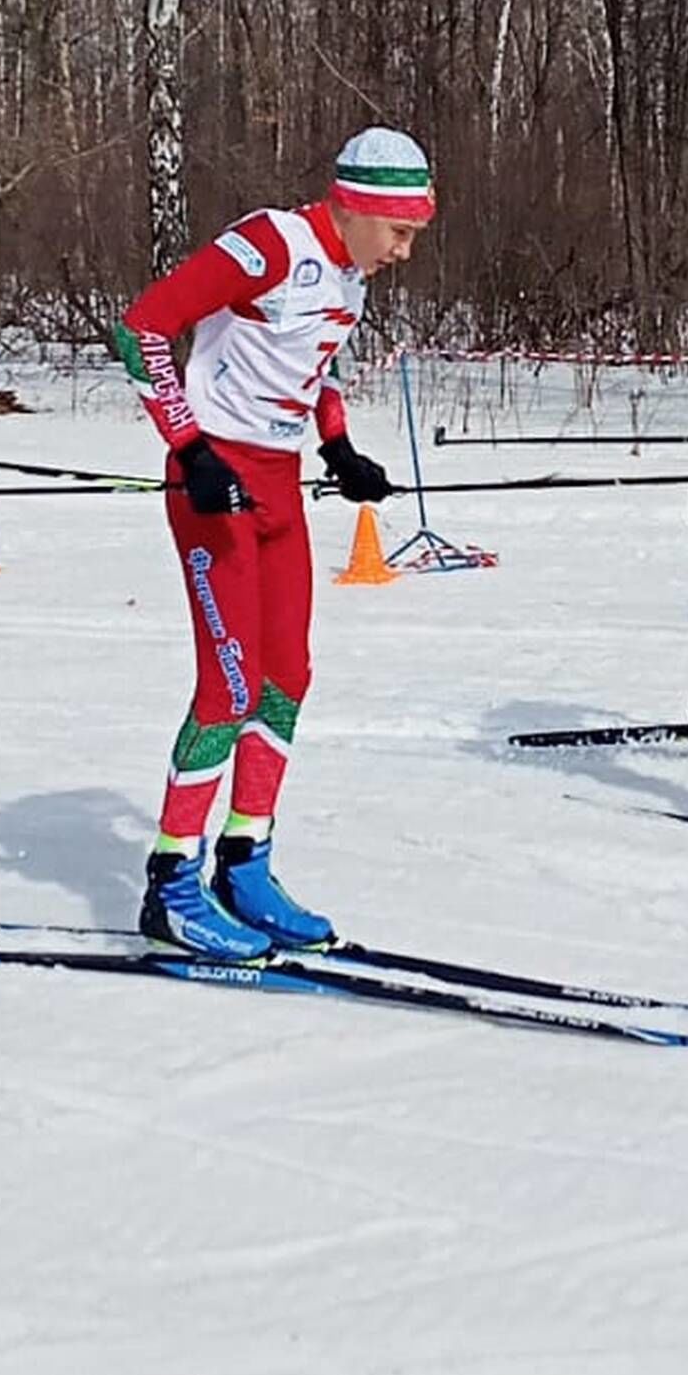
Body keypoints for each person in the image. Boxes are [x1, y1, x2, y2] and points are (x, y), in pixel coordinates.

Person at [112, 127, 435, 957]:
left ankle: (243, 861)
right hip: (214, 490)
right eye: (399, 231)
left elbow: (313, 365)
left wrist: (337, 448)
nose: (404, 250)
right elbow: (142, 329)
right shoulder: (269, 245)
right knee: (227, 687)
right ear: (358, 208)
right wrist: (190, 448)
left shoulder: (351, 278)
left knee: (285, 677)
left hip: (280, 490)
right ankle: (171, 882)